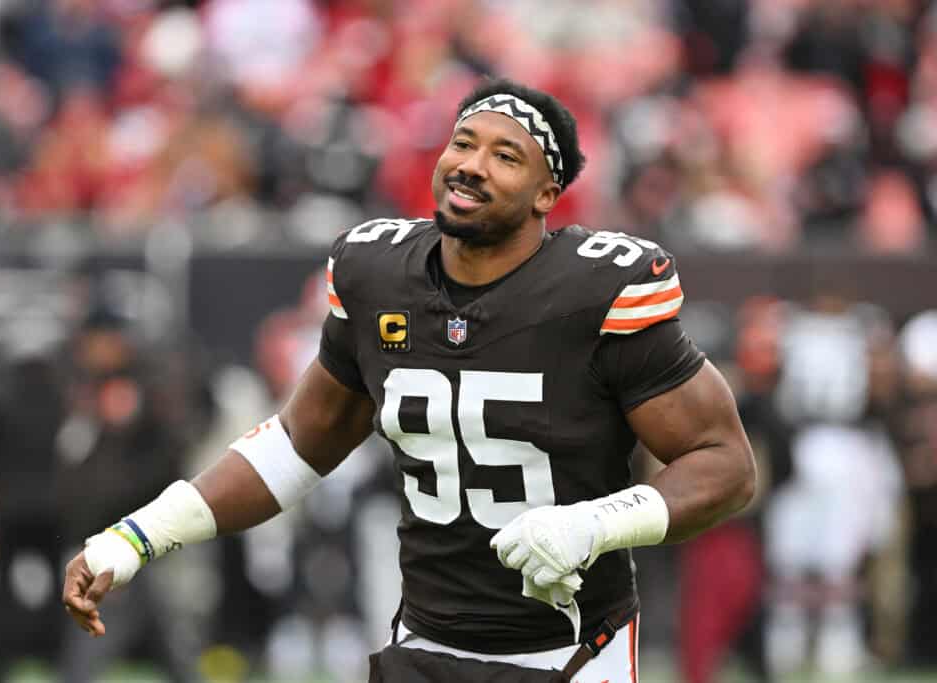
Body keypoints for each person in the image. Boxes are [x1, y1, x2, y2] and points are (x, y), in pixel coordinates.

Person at [63, 77, 756, 682]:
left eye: (505, 155)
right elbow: (299, 445)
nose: (472, 166)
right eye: (463, 143)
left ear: (549, 193)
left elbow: (725, 463)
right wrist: (140, 533)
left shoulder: (598, 289)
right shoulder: (376, 274)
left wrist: (595, 524)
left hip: (571, 650)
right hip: (425, 642)